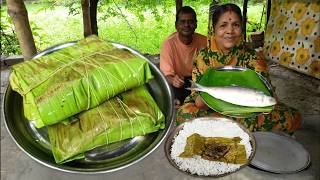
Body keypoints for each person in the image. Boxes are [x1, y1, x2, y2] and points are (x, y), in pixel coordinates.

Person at [176, 3, 301, 135]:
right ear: (214, 29)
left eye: (235, 25)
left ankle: (221, 130)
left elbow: (266, 94)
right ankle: (235, 130)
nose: (230, 31)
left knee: (292, 117)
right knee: (184, 114)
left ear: (241, 28)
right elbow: (198, 101)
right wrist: (214, 94)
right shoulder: (203, 57)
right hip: (211, 109)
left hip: (247, 110)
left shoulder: (252, 57)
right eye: (223, 25)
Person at [160, 6, 207, 107]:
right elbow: (166, 75)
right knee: (174, 101)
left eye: (190, 21)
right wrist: (173, 80)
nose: (186, 25)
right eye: (182, 22)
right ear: (176, 25)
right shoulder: (168, 44)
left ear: (196, 24)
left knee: (203, 102)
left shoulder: (205, 42)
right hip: (178, 80)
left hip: (199, 81)